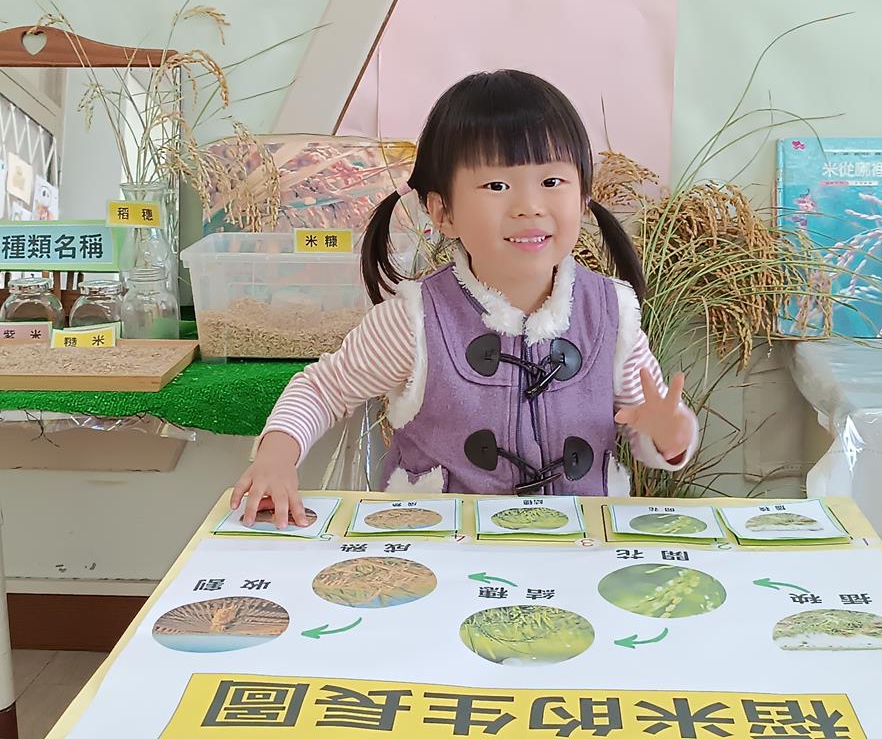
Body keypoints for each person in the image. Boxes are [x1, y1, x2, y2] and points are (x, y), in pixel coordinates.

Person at [233, 69, 698, 527]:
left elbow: (647, 423)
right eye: (497, 186)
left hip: (576, 549)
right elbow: (323, 388)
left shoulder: (613, 315)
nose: (529, 206)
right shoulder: (413, 321)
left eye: (552, 182)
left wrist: (669, 435)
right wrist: (276, 456)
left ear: (583, 199)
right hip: (440, 549)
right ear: (443, 213)